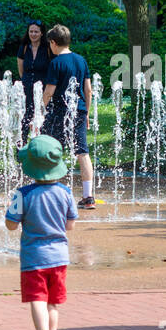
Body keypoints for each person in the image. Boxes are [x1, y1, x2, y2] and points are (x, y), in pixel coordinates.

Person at [5, 135, 78, 330]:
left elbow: (11, 225)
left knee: (37, 298)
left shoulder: (22, 194)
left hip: (34, 257)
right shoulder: (65, 192)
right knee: (53, 303)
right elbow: (70, 225)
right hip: (60, 257)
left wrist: (12, 212)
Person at [40, 24, 96, 208]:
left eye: (50, 44)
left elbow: (49, 92)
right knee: (82, 152)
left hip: (59, 112)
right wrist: (86, 112)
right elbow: (88, 90)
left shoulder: (56, 63)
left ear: (53, 43)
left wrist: (41, 111)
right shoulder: (81, 60)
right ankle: (88, 197)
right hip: (78, 110)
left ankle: (49, 193)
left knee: (52, 150)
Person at [16, 20, 50, 141]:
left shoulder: (47, 48)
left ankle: (42, 145)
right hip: (26, 88)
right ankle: (22, 148)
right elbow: (21, 69)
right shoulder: (24, 47)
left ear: (41, 33)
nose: (33, 34)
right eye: (31, 31)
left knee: (43, 116)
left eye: (36, 31)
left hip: (43, 89)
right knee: (25, 118)